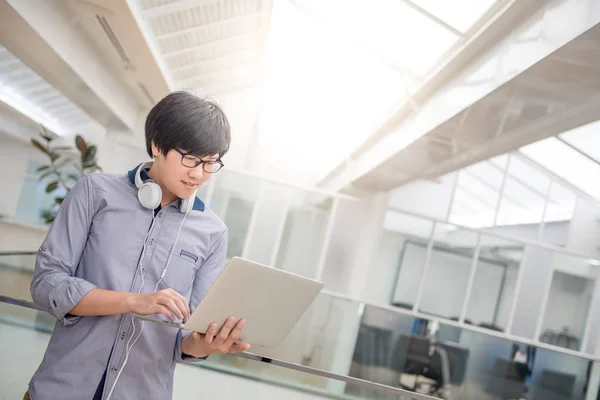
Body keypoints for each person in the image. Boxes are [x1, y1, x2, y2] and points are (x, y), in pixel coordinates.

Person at [24, 91, 249, 400]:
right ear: (157, 145)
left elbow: (185, 339)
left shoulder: (213, 232)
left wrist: (206, 344)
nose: (199, 174)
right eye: (190, 159)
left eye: (210, 163)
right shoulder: (94, 193)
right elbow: (47, 284)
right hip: (59, 391)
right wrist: (133, 301)